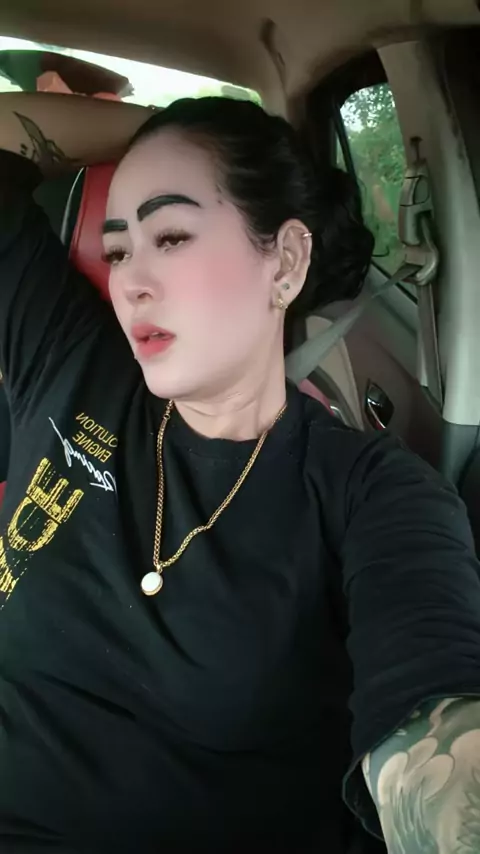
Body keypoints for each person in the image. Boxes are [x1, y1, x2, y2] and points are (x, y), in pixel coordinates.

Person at [0, 92, 479, 854]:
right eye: (118, 250)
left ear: (284, 261)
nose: (131, 282)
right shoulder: (67, 358)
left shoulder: (373, 496)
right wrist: (157, 131)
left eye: (171, 236)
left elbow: (436, 745)